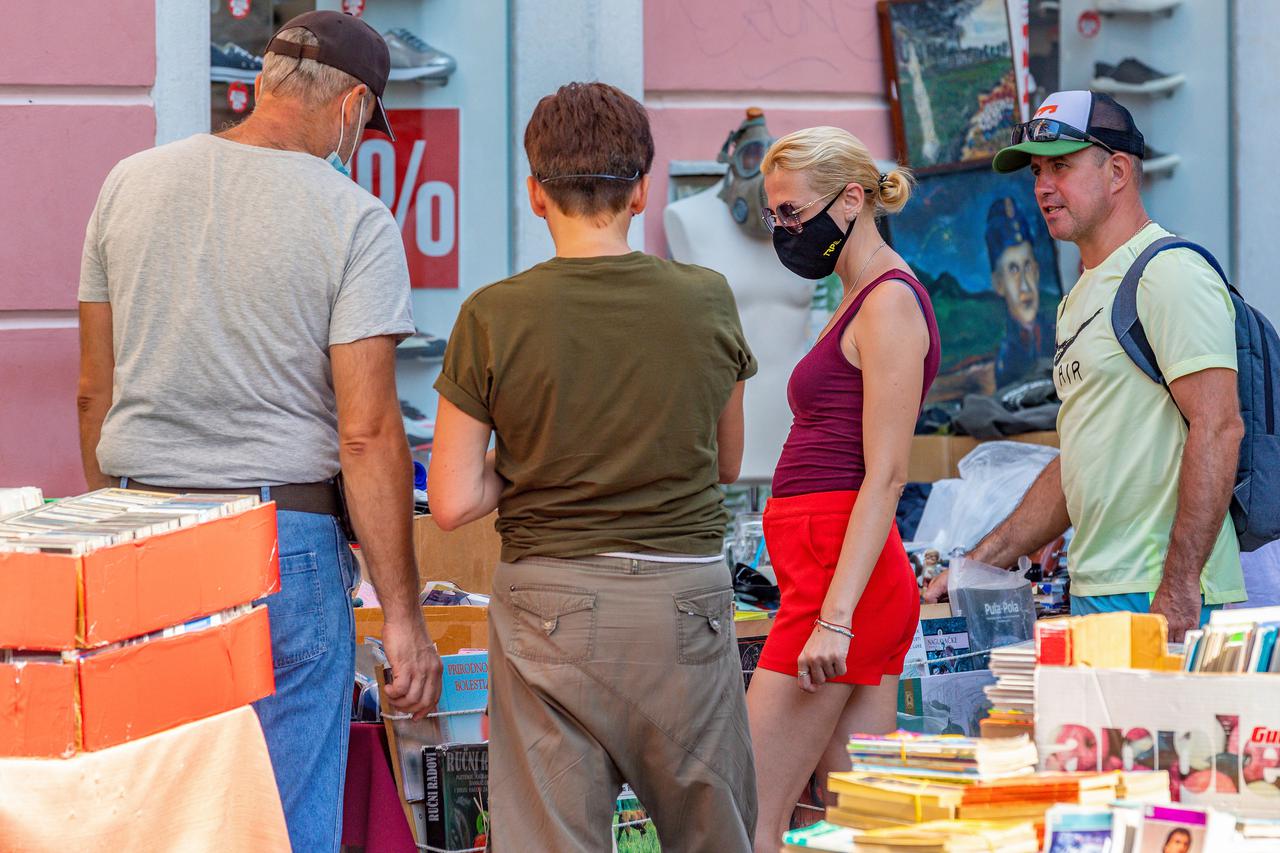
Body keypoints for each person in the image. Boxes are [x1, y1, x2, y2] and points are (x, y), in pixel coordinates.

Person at [76, 12, 442, 850]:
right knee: (277, 813)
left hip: (139, 534)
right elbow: (368, 433)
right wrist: (403, 616)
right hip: (281, 541)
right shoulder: (354, 219)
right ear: (353, 106)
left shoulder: (128, 183)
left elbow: (94, 391)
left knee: (153, 804)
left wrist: (123, 520)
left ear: (265, 80)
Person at [427, 82, 759, 851]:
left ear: (536, 194)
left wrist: (532, 461)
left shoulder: (492, 315)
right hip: (684, 600)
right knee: (713, 834)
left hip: (549, 599)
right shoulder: (706, 299)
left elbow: (448, 500)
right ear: (642, 189)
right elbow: (728, 460)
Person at [925, 91, 1246, 638]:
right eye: (1036, 171)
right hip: (1097, 588)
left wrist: (1178, 587)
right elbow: (1079, 463)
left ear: (1117, 171)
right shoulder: (1079, 297)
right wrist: (979, 562)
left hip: (1161, 595)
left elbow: (1219, 427)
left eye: (1062, 166)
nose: (1042, 187)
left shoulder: (1168, 272)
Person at [745, 126, 941, 850]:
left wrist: (834, 615)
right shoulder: (859, 294)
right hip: (832, 575)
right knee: (851, 826)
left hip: (838, 581)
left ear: (852, 198)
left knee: (748, 815)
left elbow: (887, 473)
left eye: (791, 213)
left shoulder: (887, 301)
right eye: (775, 216)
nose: (783, 231)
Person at [986, 196, 1054, 385]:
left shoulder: (1060, 331)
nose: (1025, 286)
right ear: (999, 283)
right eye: (1013, 270)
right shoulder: (1006, 357)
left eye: (1028, 267)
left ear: (1037, 271)